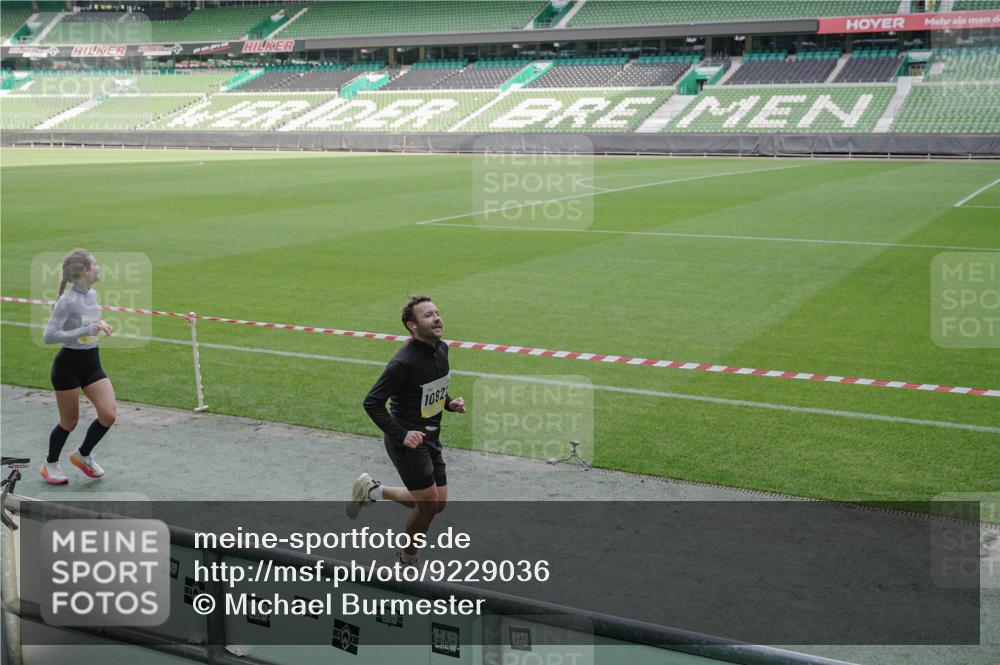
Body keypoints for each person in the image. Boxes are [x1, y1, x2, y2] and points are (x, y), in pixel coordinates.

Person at [349, 295, 465, 566]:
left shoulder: (442, 349)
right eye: (428, 315)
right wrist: (402, 434)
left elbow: (431, 389)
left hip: (431, 437)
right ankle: (407, 560)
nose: (437, 318)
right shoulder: (402, 363)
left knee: (438, 503)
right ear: (412, 326)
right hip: (407, 442)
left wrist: (449, 404)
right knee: (428, 505)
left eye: (437, 313)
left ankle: (373, 490)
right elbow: (372, 402)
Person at [40, 249, 117, 484]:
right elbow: (49, 336)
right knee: (69, 422)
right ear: (84, 271)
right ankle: (50, 464)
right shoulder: (67, 301)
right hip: (68, 366)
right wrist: (85, 330)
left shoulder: (92, 294)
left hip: (91, 362)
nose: (99, 268)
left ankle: (83, 455)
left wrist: (100, 324)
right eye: (95, 265)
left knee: (108, 415)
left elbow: (88, 322)